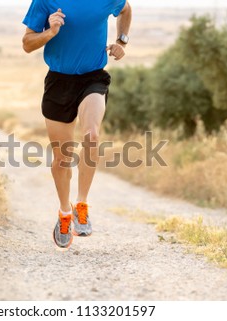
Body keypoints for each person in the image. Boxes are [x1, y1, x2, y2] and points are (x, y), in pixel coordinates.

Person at [22, 0, 132, 248]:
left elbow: (125, 10)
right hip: (58, 82)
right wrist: (50, 32)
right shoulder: (44, 2)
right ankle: (64, 213)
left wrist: (121, 41)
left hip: (93, 78)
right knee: (62, 158)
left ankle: (81, 204)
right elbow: (27, 44)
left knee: (92, 136)